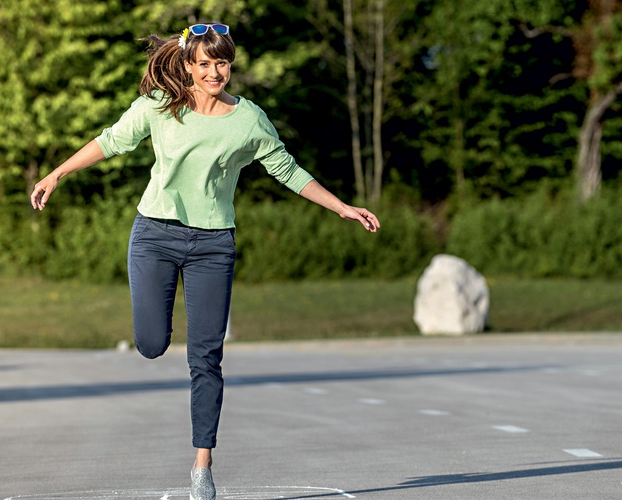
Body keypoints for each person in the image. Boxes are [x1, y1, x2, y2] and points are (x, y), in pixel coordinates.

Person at [30, 22, 380, 500]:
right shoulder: (159, 107)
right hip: (154, 234)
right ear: (188, 67)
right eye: (205, 63)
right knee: (152, 344)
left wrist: (342, 206)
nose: (215, 71)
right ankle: (159, 341)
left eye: (222, 62)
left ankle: (202, 466)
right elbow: (110, 141)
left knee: (207, 358)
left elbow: (287, 169)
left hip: (214, 244)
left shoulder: (249, 119)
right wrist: (57, 173)